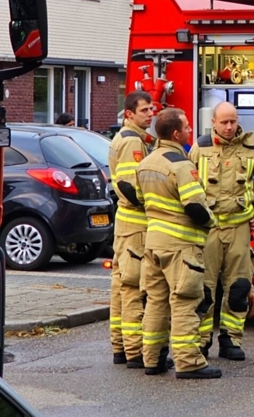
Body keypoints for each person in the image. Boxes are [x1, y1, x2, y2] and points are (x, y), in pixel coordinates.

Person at [137, 108, 220, 379]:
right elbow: (195, 206)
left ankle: (153, 359)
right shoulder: (181, 165)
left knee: (156, 302)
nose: (190, 131)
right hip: (181, 246)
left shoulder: (146, 162)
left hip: (153, 244)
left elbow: (140, 199)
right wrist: (212, 222)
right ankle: (189, 362)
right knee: (185, 301)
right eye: (186, 127)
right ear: (176, 133)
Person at [190, 102, 254, 360]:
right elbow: (187, 185)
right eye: (224, 122)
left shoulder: (252, 149)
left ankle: (231, 340)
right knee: (204, 290)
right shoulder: (200, 148)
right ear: (213, 122)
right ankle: (202, 341)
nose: (229, 127)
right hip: (209, 229)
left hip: (239, 228)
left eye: (233, 121)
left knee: (238, 288)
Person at [107, 91, 153, 368]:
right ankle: (134, 351)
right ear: (129, 114)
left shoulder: (129, 137)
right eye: (144, 110)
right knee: (134, 287)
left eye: (151, 109)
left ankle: (120, 346)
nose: (150, 114)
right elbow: (129, 187)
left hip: (127, 224)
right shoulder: (132, 141)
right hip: (136, 225)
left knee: (121, 286)